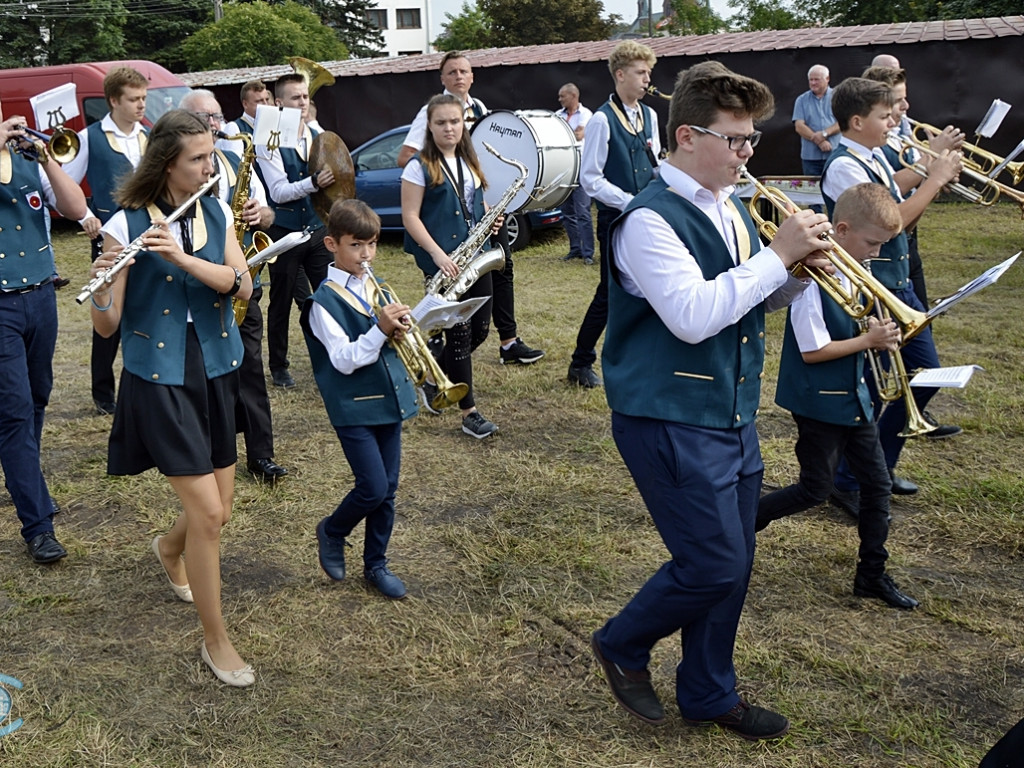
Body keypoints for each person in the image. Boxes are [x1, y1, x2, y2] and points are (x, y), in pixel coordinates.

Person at [590, 60, 832, 741]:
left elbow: (746, 295)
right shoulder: (646, 219)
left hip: (729, 412)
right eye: (736, 140)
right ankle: (621, 642)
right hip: (668, 417)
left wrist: (796, 274)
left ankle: (706, 692)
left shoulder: (727, 205)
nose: (747, 153)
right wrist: (775, 256)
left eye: (751, 140)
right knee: (713, 563)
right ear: (688, 136)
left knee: (735, 564)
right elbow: (693, 316)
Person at [89, 109, 256, 687]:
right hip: (158, 375)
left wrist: (182, 260)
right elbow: (106, 327)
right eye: (199, 159)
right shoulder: (124, 223)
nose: (211, 166)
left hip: (216, 366)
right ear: (166, 164)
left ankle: (167, 547)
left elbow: (243, 284)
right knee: (208, 514)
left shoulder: (215, 210)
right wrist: (108, 279)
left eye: (211, 155)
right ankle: (216, 642)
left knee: (220, 510)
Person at [755, 183, 919, 610]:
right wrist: (869, 341)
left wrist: (882, 340)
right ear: (842, 231)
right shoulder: (813, 279)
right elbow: (813, 352)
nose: (875, 252)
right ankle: (748, 517)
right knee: (815, 487)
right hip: (819, 403)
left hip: (856, 401)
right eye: (872, 243)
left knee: (878, 487)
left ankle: (871, 576)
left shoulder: (857, 273)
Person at [820, 77, 961, 514]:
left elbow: (896, 194)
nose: (892, 121)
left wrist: (926, 165)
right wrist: (933, 179)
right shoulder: (844, 166)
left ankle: (876, 467)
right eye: (884, 116)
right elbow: (891, 220)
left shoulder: (873, 156)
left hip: (897, 282)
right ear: (858, 121)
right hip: (874, 286)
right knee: (884, 386)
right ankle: (850, 480)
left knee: (924, 374)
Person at [300, 198, 418, 600]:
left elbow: (384, 341)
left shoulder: (374, 283)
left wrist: (401, 330)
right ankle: (332, 530)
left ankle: (376, 564)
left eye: (371, 244)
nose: (366, 254)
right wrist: (381, 331)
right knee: (371, 487)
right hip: (352, 407)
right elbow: (344, 360)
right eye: (356, 245)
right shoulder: (322, 303)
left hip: (388, 400)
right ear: (332, 244)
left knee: (389, 488)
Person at [398, 51, 544, 368]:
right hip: (448, 220)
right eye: (452, 72)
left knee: (502, 270)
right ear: (443, 78)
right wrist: (440, 161)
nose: (459, 77)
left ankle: (508, 340)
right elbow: (405, 157)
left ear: (473, 75)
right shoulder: (432, 111)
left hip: (481, 208)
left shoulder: (479, 109)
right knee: (457, 308)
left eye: (464, 71)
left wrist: (488, 204)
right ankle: (438, 342)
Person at [181, 89, 289, 485]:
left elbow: (269, 210)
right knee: (205, 375)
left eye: (216, 117)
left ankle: (261, 454)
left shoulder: (231, 160)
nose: (216, 124)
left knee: (251, 369)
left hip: (239, 281)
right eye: (205, 118)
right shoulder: (174, 170)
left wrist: (260, 213)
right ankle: (207, 454)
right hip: (194, 287)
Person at [0, 100, 87, 564]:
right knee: (13, 414)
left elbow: (75, 208)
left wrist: (49, 160)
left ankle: (25, 481)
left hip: (40, 297)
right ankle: (37, 525)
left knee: (36, 398)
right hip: (0, 306)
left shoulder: (28, 158)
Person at [401, 94, 500, 439]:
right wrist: (438, 255)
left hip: (476, 257)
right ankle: (469, 412)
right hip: (444, 263)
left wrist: (491, 219)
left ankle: (431, 373)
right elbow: (410, 217)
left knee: (481, 330)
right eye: (441, 122)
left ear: (463, 124)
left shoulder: (469, 160)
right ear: (429, 126)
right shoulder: (418, 166)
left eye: (455, 122)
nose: (449, 128)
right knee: (458, 337)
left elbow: (474, 204)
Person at [567, 41, 660, 390]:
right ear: (620, 75)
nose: (647, 79)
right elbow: (590, 179)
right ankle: (580, 361)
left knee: (649, 288)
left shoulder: (648, 115)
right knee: (609, 292)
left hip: (647, 216)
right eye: (640, 72)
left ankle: (641, 356)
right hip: (616, 219)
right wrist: (629, 202)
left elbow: (653, 163)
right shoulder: (601, 120)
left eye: (648, 72)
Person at [62, 66, 149, 416]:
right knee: (108, 307)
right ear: (113, 100)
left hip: (148, 234)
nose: (141, 105)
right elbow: (63, 184)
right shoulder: (90, 137)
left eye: (144, 98)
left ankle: (141, 380)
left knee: (144, 304)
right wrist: (85, 216)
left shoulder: (149, 136)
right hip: (111, 235)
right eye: (134, 99)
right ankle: (102, 391)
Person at [256, 73, 335, 390]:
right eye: (295, 98)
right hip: (285, 232)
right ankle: (278, 366)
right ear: (279, 103)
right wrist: (313, 183)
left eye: (305, 97)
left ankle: (332, 358)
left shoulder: (316, 130)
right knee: (281, 301)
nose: (303, 103)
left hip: (317, 229)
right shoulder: (268, 137)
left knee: (328, 298)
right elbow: (277, 191)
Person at [555, 83, 595, 264]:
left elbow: (580, 135)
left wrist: (563, 135)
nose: (560, 100)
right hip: (563, 170)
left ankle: (588, 253)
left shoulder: (587, 115)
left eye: (562, 96)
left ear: (573, 96)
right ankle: (575, 249)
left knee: (583, 211)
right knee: (567, 212)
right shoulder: (556, 116)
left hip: (580, 169)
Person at [792, 65, 840, 179]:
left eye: (816, 79)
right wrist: (819, 141)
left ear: (827, 79)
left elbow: (844, 122)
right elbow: (799, 126)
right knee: (812, 192)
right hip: (810, 158)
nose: (813, 83)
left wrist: (825, 133)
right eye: (811, 80)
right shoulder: (801, 100)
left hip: (835, 154)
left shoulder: (838, 97)